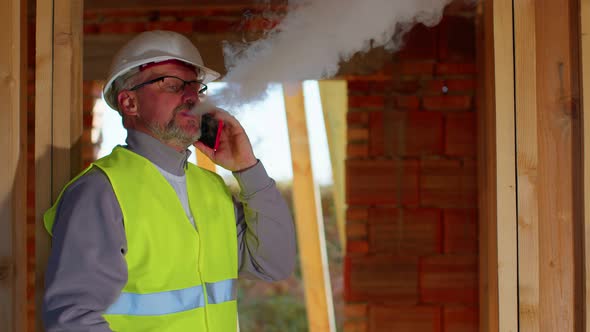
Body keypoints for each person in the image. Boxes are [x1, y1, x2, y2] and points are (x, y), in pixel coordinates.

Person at [42, 30, 296, 332]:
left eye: (196, 87)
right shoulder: (99, 192)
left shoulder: (211, 188)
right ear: (129, 103)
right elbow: (72, 320)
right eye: (173, 84)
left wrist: (247, 169)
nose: (191, 97)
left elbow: (274, 265)